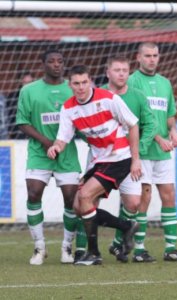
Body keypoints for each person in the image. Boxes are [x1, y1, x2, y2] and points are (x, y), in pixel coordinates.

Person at [47, 64, 141, 266]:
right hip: (99, 160)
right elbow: (62, 138)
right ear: (69, 84)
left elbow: (132, 124)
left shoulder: (108, 98)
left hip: (119, 156)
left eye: (84, 82)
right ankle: (125, 226)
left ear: (90, 81)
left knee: (85, 196)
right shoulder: (68, 108)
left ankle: (94, 253)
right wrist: (55, 147)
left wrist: (136, 159)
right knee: (78, 206)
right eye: (76, 83)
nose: (81, 87)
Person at [15, 50, 83, 265]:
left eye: (60, 61)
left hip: (67, 154)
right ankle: (39, 247)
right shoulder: (29, 90)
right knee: (33, 194)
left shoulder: (73, 90)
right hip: (39, 153)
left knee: (71, 201)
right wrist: (47, 142)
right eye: (52, 61)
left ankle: (66, 248)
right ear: (42, 64)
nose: (56, 65)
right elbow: (22, 122)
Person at [127, 42, 177, 263]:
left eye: (155, 55)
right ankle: (139, 249)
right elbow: (134, 119)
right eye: (148, 55)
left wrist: (173, 130)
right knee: (144, 197)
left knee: (169, 195)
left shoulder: (165, 83)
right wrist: (159, 138)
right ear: (138, 57)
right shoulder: (132, 82)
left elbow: (169, 114)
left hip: (163, 151)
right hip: (142, 150)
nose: (152, 59)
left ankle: (171, 248)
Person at [101, 56, 158, 263]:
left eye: (125, 70)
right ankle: (84, 250)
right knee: (88, 202)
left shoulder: (138, 96)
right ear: (108, 72)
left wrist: (138, 149)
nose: (122, 73)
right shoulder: (98, 95)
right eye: (117, 70)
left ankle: (117, 244)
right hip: (103, 157)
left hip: (131, 157)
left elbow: (150, 124)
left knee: (133, 203)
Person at [7, 71, 34, 139]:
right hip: (18, 135)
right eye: (26, 83)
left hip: (35, 134)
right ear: (21, 83)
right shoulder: (12, 97)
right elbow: (9, 118)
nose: (28, 85)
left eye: (30, 83)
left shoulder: (37, 96)